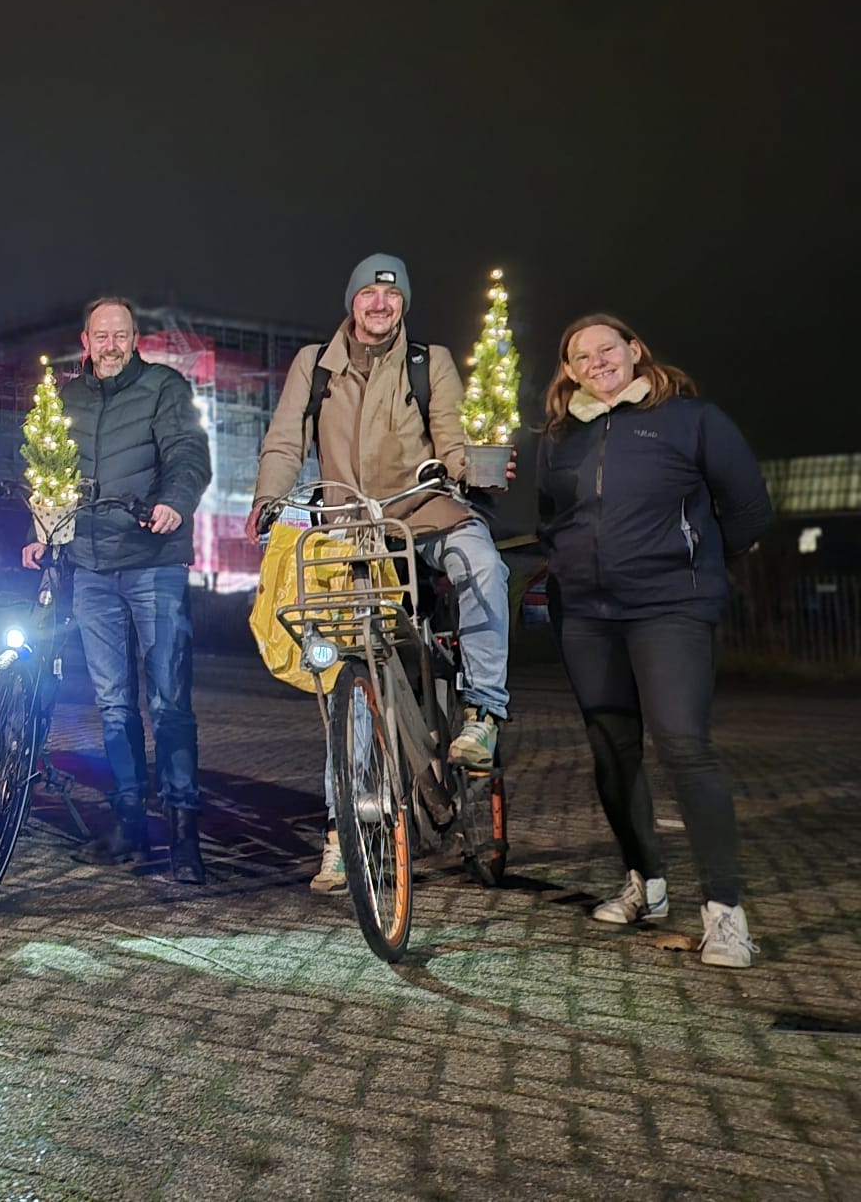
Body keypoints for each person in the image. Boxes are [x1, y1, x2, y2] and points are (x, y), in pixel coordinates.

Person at [250, 254, 512, 896]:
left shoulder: (430, 362)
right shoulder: (315, 365)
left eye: (390, 296)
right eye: (368, 293)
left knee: (483, 565)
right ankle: (342, 833)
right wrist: (269, 498)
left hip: (423, 510)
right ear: (351, 301)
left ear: (403, 305)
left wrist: (466, 465)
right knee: (352, 673)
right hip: (353, 529)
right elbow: (286, 440)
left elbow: (450, 431)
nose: (379, 305)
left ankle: (483, 711)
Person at [537, 314, 771, 968]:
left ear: (635, 350)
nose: (596, 362)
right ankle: (647, 884)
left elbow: (749, 506)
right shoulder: (562, 436)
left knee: (683, 745)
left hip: (671, 608)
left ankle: (725, 912)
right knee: (612, 753)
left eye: (606, 348)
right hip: (587, 614)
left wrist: (698, 564)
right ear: (571, 371)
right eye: (580, 357)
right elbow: (549, 518)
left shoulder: (692, 419)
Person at [21, 297, 213, 884]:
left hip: (154, 560)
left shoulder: (162, 388)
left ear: (135, 339)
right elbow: (43, 471)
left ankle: (183, 834)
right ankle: (130, 821)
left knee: (169, 701)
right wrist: (39, 533)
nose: (110, 345)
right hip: (91, 567)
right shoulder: (67, 399)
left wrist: (173, 503)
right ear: (86, 339)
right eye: (101, 335)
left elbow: (187, 454)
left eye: (121, 335)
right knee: (112, 704)